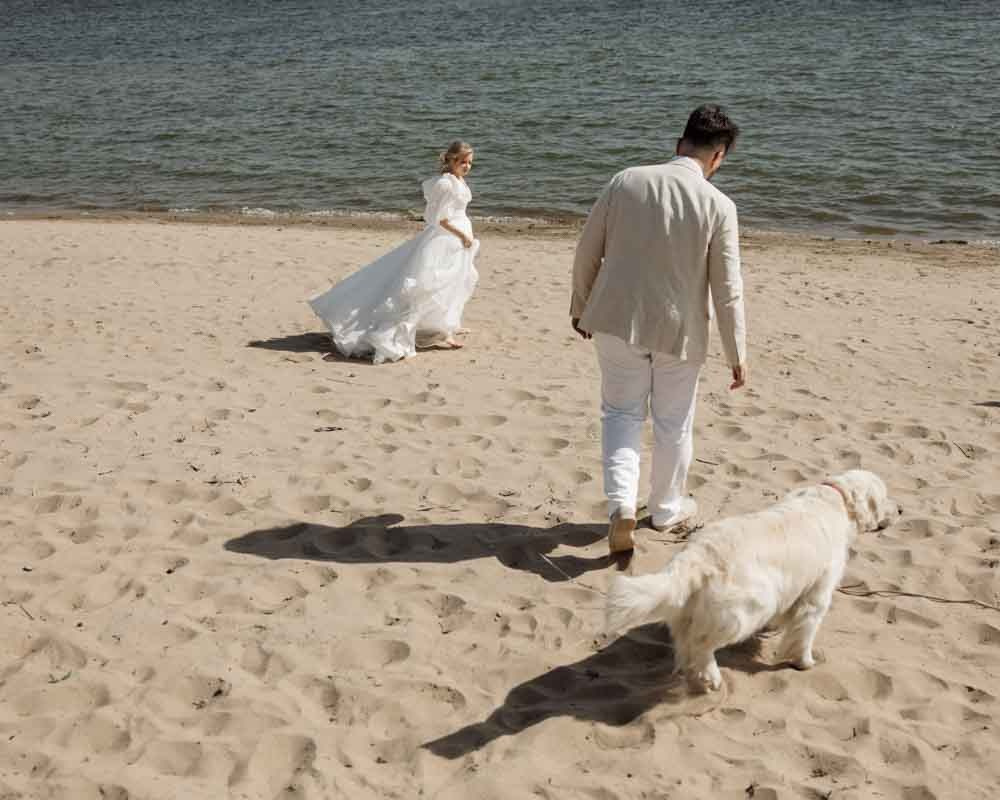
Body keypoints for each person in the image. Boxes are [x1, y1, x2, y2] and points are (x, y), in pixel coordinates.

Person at [570, 105, 747, 554]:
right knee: (673, 422)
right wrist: (736, 353)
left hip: (615, 318)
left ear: (679, 143)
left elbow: (587, 250)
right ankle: (666, 507)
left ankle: (622, 505)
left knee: (621, 414)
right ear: (718, 156)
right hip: (679, 330)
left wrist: (580, 306)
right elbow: (728, 290)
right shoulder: (719, 205)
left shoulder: (627, 180)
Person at [309, 141, 479, 364]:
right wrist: (462, 235)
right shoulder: (444, 184)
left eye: (469, 162)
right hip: (447, 239)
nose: (466, 166)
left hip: (457, 241)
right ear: (451, 160)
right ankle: (425, 332)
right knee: (427, 287)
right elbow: (439, 219)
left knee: (451, 284)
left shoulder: (458, 180)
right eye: (462, 162)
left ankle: (444, 329)